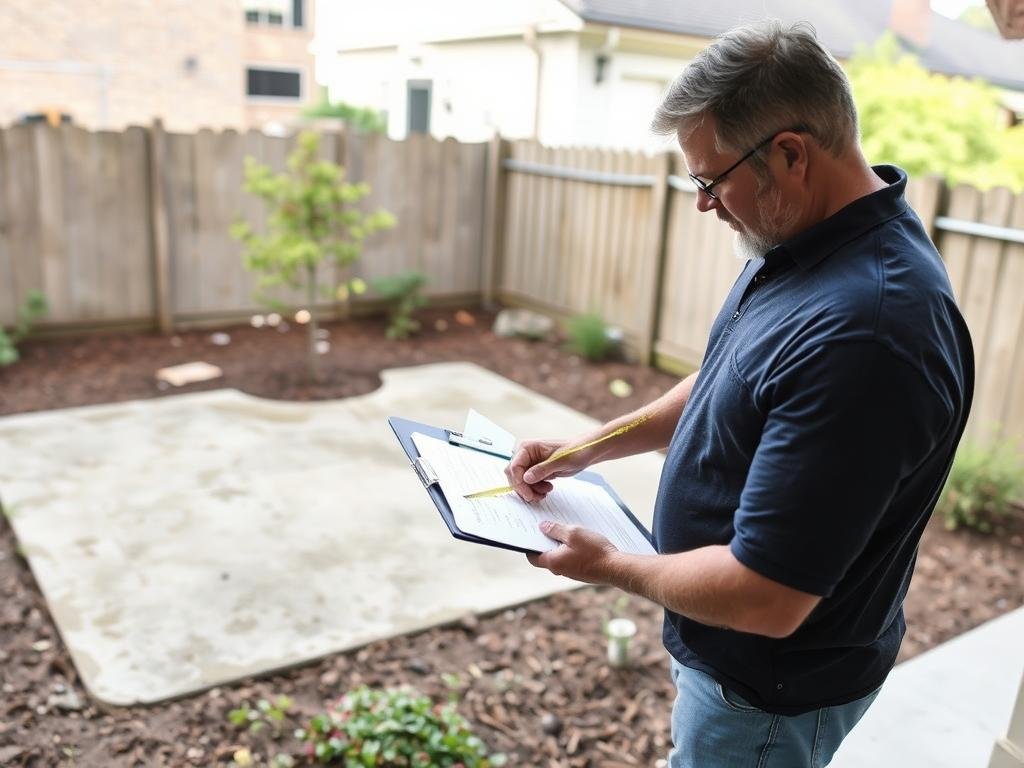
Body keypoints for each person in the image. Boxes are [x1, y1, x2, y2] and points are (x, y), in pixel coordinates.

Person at [506, 20, 974, 768]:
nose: (703, 202)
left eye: (710, 178)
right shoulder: (808, 238)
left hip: (767, 695)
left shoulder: (869, 333)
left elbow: (766, 596)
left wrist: (611, 565)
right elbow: (729, 374)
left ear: (790, 153)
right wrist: (585, 450)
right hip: (731, 668)